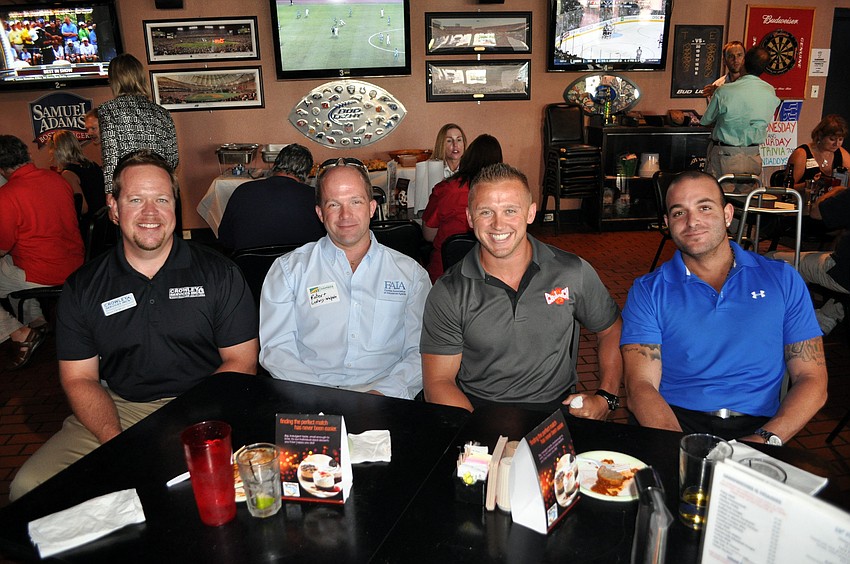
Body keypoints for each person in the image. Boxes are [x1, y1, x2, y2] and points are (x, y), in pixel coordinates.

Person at [8, 150, 259, 501]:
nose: (150, 213)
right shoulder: (84, 286)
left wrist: (182, 428)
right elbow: (79, 379)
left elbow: (241, 362)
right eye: (136, 199)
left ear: (175, 205)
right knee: (29, 486)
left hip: (206, 403)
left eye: (161, 199)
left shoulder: (220, 274)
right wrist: (118, 442)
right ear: (113, 207)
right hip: (120, 407)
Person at [620, 171, 826, 442]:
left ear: (728, 215)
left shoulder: (782, 279)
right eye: (679, 213)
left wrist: (766, 439)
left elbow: (812, 378)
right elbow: (641, 387)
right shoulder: (648, 291)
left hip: (759, 427)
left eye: (704, 207)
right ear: (667, 223)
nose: (692, 221)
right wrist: (683, 451)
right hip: (674, 422)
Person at [421, 163, 623, 416]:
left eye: (510, 211)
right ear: (470, 218)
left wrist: (606, 397)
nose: (498, 224)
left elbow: (611, 328)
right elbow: (438, 383)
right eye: (486, 212)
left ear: (530, 213)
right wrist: (481, 441)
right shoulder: (449, 291)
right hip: (476, 411)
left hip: (555, 411)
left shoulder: (572, 271)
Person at [259, 158, 430, 399]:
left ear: (371, 208)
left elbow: (421, 351)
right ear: (320, 213)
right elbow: (276, 350)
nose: (345, 215)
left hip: (388, 397)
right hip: (309, 395)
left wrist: (385, 393)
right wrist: (323, 397)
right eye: (333, 205)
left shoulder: (411, 275)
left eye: (355, 202)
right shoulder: (288, 270)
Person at [0, 135, 84, 371]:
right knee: (10, 269)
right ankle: (37, 322)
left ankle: (19, 333)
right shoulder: (56, 179)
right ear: (26, 155)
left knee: (8, 270)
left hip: (44, 272)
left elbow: (3, 247)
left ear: (2, 168)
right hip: (74, 263)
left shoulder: (7, 195)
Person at [422, 134, 503, 282]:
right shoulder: (504, 194)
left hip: (445, 274)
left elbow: (428, 234)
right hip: (490, 276)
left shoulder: (445, 189)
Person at [218, 143, 324, 252]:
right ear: (306, 173)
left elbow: (225, 240)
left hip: (247, 266)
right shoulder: (314, 197)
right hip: (300, 266)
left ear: (276, 164)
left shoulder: (243, 191)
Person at [701, 47, 780, 191]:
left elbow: (706, 120)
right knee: (746, 203)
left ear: (744, 62)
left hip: (725, 155)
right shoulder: (770, 90)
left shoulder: (724, 90)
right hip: (753, 155)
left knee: (719, 201)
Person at [98, 53, 179, 193]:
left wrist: (109, 194)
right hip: (161, 187)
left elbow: (111, 158)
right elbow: (173, 159)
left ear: (114, 80)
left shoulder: (108, 110)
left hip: (130, 189)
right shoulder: (162, 112)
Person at [48, 129, 106, 219]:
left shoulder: (68, 173)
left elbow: (83, 208)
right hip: (105, 220)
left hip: (90, 225)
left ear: (58, 151)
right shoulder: (92, 165)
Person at [785, 114, 849, 192]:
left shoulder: (841, 153)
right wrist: (810, 184)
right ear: (820, 136)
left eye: (840, 139)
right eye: (832, 139)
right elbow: (787, 188)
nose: (836, 144)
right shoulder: (801, 154)